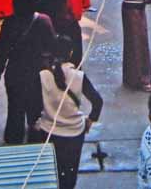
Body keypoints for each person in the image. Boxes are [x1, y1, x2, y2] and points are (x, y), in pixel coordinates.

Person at [0, 0, 56, 144]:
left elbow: (1, 54)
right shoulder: (44, 21)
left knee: (15, 111)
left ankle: (14, 144)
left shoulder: (9, 23)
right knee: (36, 114)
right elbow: (53, 50)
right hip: (38, 76)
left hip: (14, 75)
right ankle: (35, 145)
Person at [39, 35, 103, 189]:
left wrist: (36, 120)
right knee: (69, 173)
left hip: (49, 131)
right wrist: (90, 120)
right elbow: (98, 101)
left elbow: (31, 102)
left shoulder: (43, 76)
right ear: (71, 53)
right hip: (74, 132)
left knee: (53, 172)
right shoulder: (79, 76)